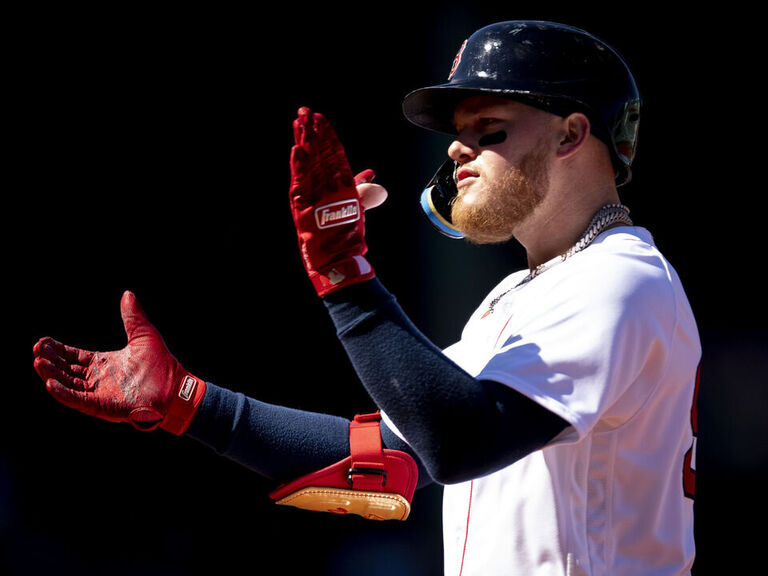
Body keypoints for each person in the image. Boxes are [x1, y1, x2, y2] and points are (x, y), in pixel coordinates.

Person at [32, 20, 701, 575]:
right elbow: (389, 460)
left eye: (489, 129)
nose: (460, 153)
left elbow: (458, 442)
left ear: (572, 135)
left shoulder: (619, 279)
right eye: (458, 136)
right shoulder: (524, 294)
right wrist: (190, 402)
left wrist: (347, 276)